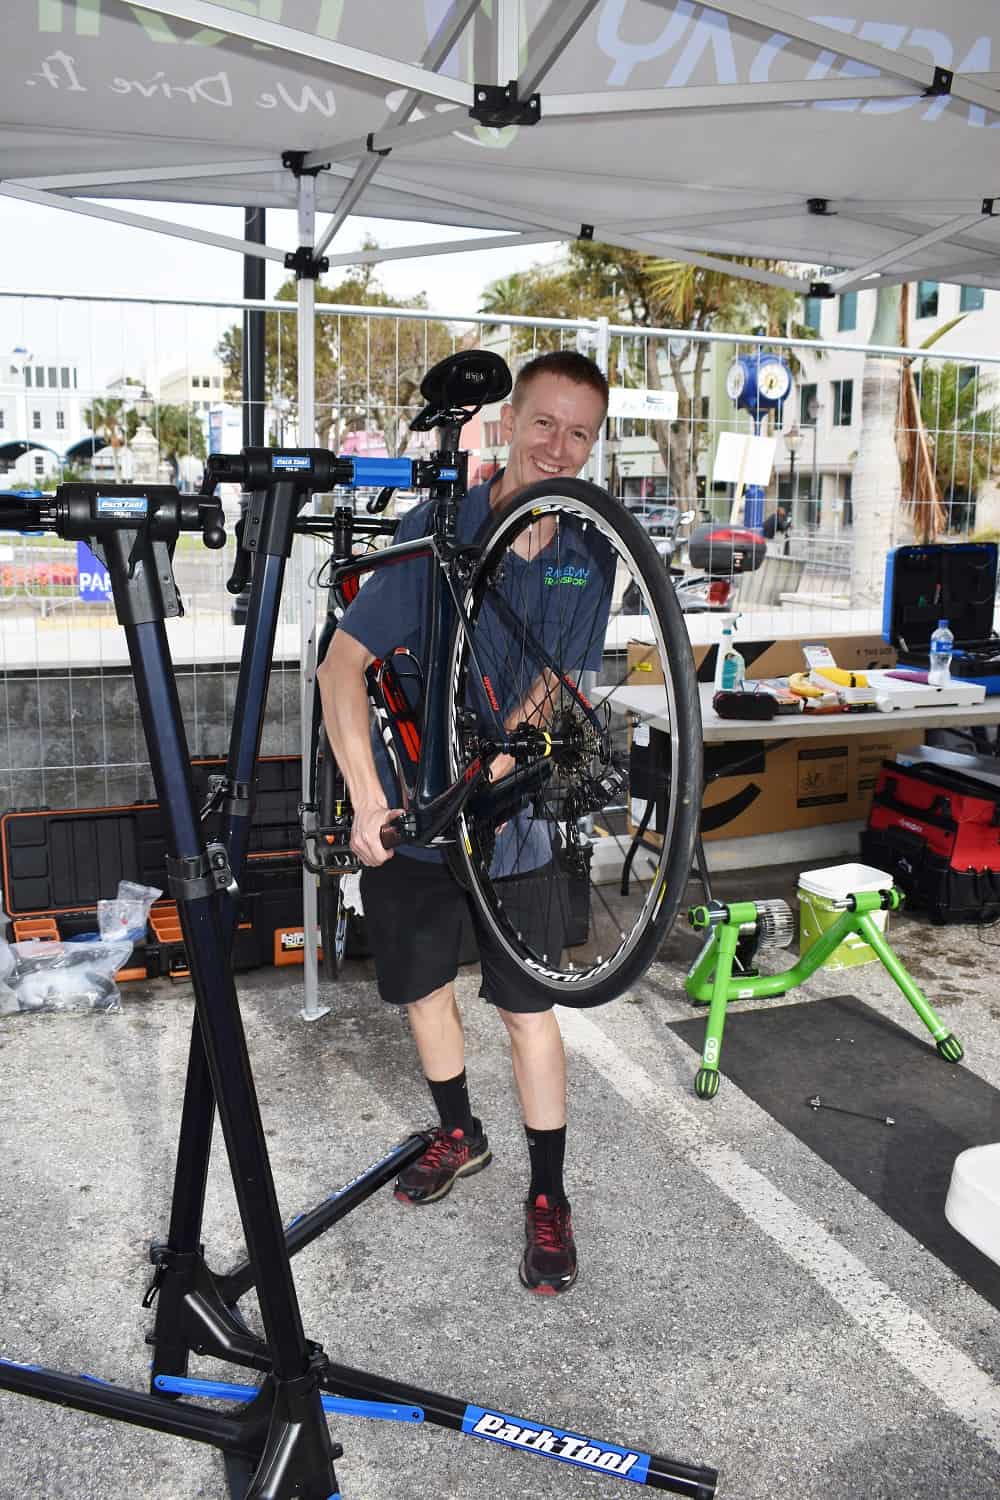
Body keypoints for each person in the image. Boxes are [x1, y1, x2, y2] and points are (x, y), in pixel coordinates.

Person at [317, 350, 609, 1296]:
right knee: (422, 989)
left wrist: (494, 766)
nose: (559, 447)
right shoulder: (435, 526)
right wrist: (368, 797)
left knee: (530, 1014)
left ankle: (549, 1196)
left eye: (580, 434)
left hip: (513, 816)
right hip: (413, 806)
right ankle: (460, 1132)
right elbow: (340, 669)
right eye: (544, 424)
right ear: (509, 422)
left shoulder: (589, 550)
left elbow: (559, 681)